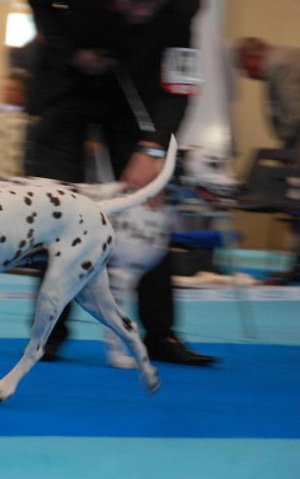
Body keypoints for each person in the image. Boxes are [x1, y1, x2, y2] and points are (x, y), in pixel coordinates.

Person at [25, 0, 216, 366]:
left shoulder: (182, 9)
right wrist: (70, 50)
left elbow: (180, 86)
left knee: (150, 200)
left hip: (131, 89)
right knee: (58, 210)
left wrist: (155, 148)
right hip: (64, 84)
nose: (142, 11)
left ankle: (161, 334)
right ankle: (49, 332)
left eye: (151, 5)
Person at [236, 37, 300, 283]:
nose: (247, 73)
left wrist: (285, 148)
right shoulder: (285, 60)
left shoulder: (282, 65)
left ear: (255, 56)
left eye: (245, 66)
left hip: (296, 146)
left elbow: (294, 113)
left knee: (296, 208)